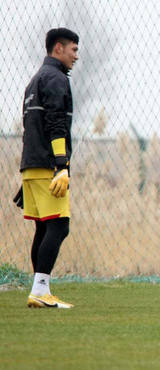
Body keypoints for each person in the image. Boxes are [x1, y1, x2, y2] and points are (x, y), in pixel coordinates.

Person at [15, 28, 80, 308]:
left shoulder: (34, 81)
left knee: (43, 228)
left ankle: (39, 290)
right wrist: (61, 166)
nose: (77, 55)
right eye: (73, 49)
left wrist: (26, 174)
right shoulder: (55, 79)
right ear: (58, 48)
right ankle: (40, 290)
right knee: (60, 226)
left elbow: (30, 129)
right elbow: (55, 124)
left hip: (32, 166)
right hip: (47, 166)